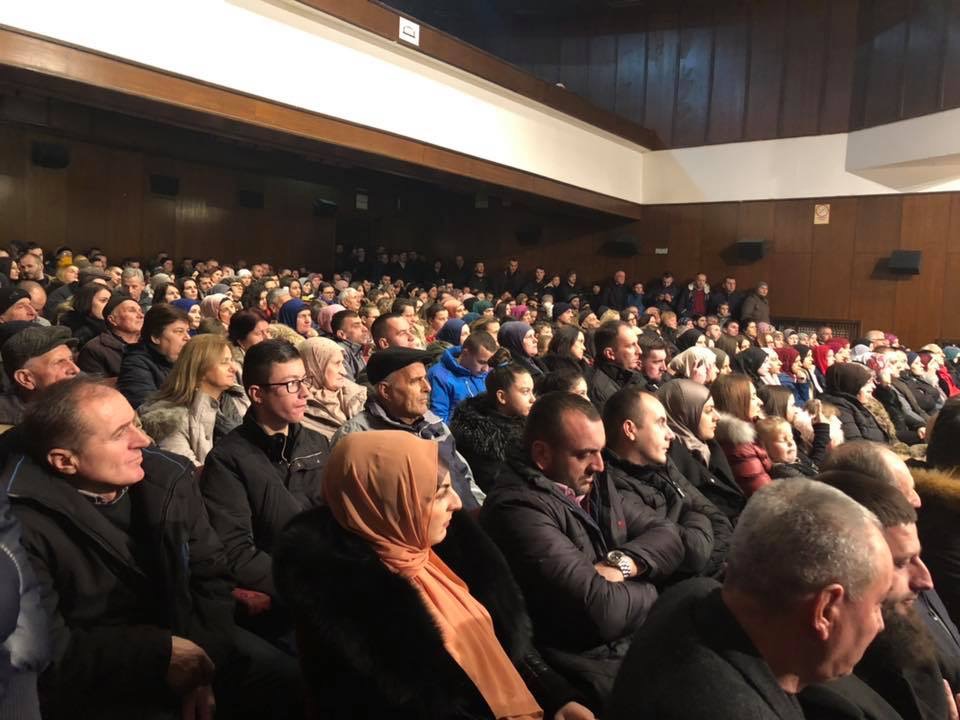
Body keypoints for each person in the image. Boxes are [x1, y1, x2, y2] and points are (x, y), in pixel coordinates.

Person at [4, 377, 302, 719]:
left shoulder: (168, 476)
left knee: (291, 682)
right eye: (120, 434)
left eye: (135, 423)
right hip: (103, 674)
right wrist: (161, 654)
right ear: (64, 461)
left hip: (193, 633)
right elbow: (43, 649)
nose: (144, 440)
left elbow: (210, 575)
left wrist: (201, 664)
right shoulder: (16, 524)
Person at [274, 431, 593, 717]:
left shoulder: (444, 549)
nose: (457, 504)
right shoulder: (345, 605)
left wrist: (557, 696)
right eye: (439, 493)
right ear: (389, 501)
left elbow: (503, 643)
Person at [606, 479, 894, 720]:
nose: (880, 624)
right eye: (878, 604)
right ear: (825, 610)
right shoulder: (725, 706)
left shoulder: (692, 597)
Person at [480, 392, 683, 705]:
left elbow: (669, 535)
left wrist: (623, 564)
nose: (599, 465)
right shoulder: (517, 509)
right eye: (585, 454)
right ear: (542, 454)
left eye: (600, 451)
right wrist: (655, 587)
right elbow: (602, 610)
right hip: (588, 666)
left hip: (635, 644)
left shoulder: (593, 484)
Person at [808, 471, 946, 720]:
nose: (926, 580)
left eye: (918, 557)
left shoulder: (902, 630)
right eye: (900, 562)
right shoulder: (824, 693)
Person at [201, 339, 329, 598]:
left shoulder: (317, 443)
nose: (305, 392)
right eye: (291, 384)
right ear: (257, 394)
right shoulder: (227, 459)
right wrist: (307, 591)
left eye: (304, 380)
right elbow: (237, 550)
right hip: (291, 591)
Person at [602, 387, 732, 579]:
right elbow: (692, 551)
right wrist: (696, 514)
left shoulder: (663, 464)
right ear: (630, 430)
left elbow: (719, 519)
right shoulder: (616, 488)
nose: (670, 435)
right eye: (660, 423)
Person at [333, 347, 485, 510]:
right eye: (415, 381)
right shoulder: (357, 436)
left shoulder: (434, 423)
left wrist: (482, 509)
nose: (427, 387)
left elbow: (463, 474)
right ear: (385, 391)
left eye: (425, 378)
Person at [138, 334, 248, 467]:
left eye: (231, 360)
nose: (234, 368)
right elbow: (188, 471)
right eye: (224, 362)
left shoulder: (241, 398)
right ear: (200, 367)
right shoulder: (169, 418)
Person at [659, 379, 746, 522]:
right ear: (684, 413)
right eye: (708, 410)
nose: (717, 417)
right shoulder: (670, 463)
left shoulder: (710, 447)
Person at [449, 363, 534, 492]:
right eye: (525, 392)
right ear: (502, 397)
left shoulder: (525, 422)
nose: (533, 399)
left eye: (532, 391)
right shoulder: (481, 442)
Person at [0, 324, 80, 432]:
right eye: (59, 362)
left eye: (71, 359)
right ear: (26, 379)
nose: (76, 369)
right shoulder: (7, 429)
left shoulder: (84, 396)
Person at [116, 304, 191, 410]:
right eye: (179, 331)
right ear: (156, 337)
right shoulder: (135, 364)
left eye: (187, 331)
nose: (188, 338)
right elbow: (146, 407)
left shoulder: (182, 360)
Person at [711, 373, 773, 496]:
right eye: (753, 397)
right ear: (736, 402)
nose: (760, 402)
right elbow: (766, 495)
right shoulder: (738, 447)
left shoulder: (754, 430)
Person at [298, 336, 366, 440]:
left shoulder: (358, 394)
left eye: (342, 363)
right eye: (337, 363)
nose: (344, 372)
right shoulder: (297, 408)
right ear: (315, 366)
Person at [427, 331, 496, 423]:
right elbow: (439, 420)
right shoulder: (439, 375)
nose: (486, 369)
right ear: (465, 353)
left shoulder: (483, 371)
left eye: (489, 363)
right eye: (481, 362)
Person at [76, 292, 143, 380]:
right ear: (112, 320)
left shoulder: (150, 343)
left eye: (141, 311)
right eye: (131, 310)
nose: (141, 315)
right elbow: (95, 385)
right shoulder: (94, 350)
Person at [820, 363, 889, 443]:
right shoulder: (839, 409)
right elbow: (856, 445)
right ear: (851, 385)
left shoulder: (854, 404)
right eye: (866, 384)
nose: (873, 387)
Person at [588, 321, 642, 411]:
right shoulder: (598, 390)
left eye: (637, 343)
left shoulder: (631, 376)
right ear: (610, 353)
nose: (639, 351)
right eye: (631, 346)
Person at [331, 309, 367, 381]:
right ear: (342, 334)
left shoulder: (357, 349)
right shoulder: (340, 352)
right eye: (356, 326)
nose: (365, 329)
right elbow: (349, 384)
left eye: (362, 324)